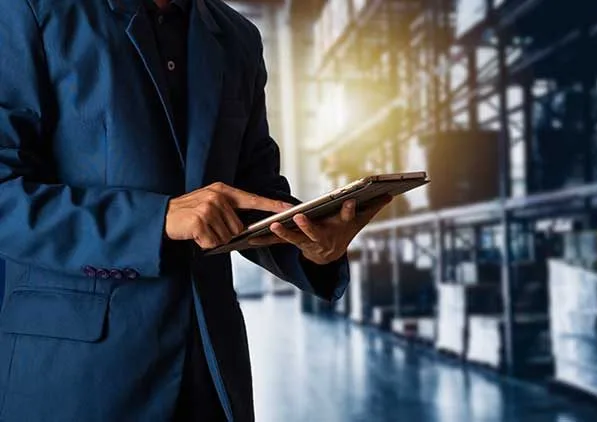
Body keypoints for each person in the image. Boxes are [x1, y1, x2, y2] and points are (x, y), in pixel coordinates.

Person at [0, 0, 391, 421]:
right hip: (78, 375)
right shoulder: (30, 10)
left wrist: (311, 245)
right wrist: (154, 220)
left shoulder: (237, 36)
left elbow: (251, 191)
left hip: (209, 369)